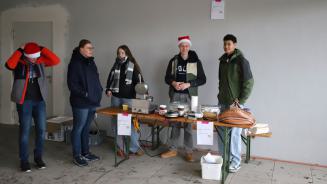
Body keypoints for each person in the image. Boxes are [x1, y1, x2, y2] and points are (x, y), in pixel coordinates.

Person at [5, 42, 60, 172]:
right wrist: (19, 50)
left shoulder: (40, 61)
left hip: (39, 101)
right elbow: (8, 65)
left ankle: (38, 158)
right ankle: (24, 161)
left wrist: (41, 49)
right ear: (25, 55)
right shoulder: (19, 62)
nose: (34, 59)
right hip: (24, 102)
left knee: (41, 130)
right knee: (25, 131)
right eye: (32, 57)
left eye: (36, 56)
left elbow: (55, 60)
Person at [161, 36, 206, 162]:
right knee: (174, 122)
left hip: (190, 96)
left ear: (189, 46)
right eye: (182, 45)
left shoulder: (195, 61)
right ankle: (173, 149)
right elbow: (166, 78)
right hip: (175, 95)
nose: (184, 48)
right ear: (179, 47)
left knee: (188, 123)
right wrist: (174, 83)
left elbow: (203, 79)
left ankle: (189, 151)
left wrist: (189, 84)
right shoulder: (173, 61)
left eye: (186, 45)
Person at [217, 34, 254, 173]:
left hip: (236, 105)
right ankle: (224, 158)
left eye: (229, 44)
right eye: (225, 44)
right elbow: (221, 80)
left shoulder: (241, 61)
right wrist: (220, 95)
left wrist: (241, 100)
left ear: (235, 45)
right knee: (221, 131)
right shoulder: (222, 61)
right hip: (222, 103)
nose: (226, 46)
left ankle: (235, 162)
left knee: (235, 134)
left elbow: (249, 83)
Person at [67, 39, 103, 167]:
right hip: (81, 102)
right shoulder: (75, 63)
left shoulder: (91, 62)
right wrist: (85, 94)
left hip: (92, 101)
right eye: (88, 48)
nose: (91, 50)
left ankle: (86, 152)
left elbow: (96, 79)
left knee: (86, 128)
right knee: (78, 128)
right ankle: (77, 155)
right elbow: (72, 84)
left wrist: (99, 91)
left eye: (92, 48)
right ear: (81, 49)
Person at [106, 45, 144, 157]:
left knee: (131, 123)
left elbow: (140, 81)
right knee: (116, 122)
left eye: (122, 53)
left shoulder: (133, 66)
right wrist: (108, 89)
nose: (120, 55)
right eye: (119, 53)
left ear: (127, 53)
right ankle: (120, 147)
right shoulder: (115, 65)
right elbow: (110, 78)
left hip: (129, 98)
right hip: (116, 98)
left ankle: (134, 147)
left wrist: (143, 91)